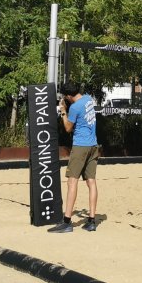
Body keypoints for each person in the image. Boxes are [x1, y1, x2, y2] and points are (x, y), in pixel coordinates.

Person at [47, 83, 98, 233]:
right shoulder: (88, 99)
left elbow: (68, 128)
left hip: (80, 146)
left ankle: (67, 221)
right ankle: (92, 221)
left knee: (72, 182)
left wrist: (63, 111)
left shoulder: (75, 107)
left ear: (68, 96)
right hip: (93, 145)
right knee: (91, 182)